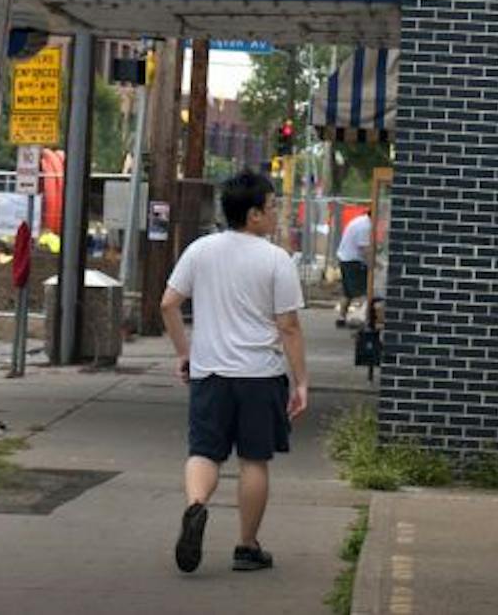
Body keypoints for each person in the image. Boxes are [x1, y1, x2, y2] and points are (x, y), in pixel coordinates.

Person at [160, 170, 308, 576]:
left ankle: (195, 506)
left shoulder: (201, 250)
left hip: (210, 373)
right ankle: (246, 547)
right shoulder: (277, 260)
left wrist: (184, 352)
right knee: (254, 461)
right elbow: (289, 327)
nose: (277, 213)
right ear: (255, 215)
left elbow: (168, 304)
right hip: (261, 375)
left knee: (204, 452)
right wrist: (301, 381)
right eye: (273, 206)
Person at [334, 210, 373, 327]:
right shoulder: (365, 226)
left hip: (345, 258)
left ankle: (341, 317)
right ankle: (364, 318)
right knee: (362, 291)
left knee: (347, 292)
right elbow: (364, 249)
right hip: (353, 261)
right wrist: (374, 264)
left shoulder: (360, 221)